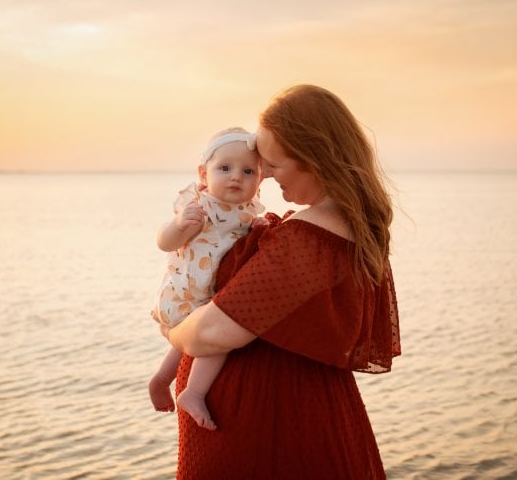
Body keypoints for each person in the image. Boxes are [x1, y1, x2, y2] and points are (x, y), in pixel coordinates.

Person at [164, 84, 401, 479]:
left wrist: (173, 330)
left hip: (267, 426)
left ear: (314, 160)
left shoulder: (309, 239)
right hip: (286, 412)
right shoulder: (341, 227)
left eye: (273, 164)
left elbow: (211, 334)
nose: (267, 177)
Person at [149, 128, 265, 431]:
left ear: (260, 179)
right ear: (204, 173)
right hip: (186, 293)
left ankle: (162, 379)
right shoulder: (199, 206)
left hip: (207, 297)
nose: (236, 177)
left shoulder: (249, 212)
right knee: (217, 342)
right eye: (224, 168)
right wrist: (179, 224)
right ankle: (193, 392)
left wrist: (259, 230)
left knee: (197, 337)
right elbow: (165, 242)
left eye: (248, 171)